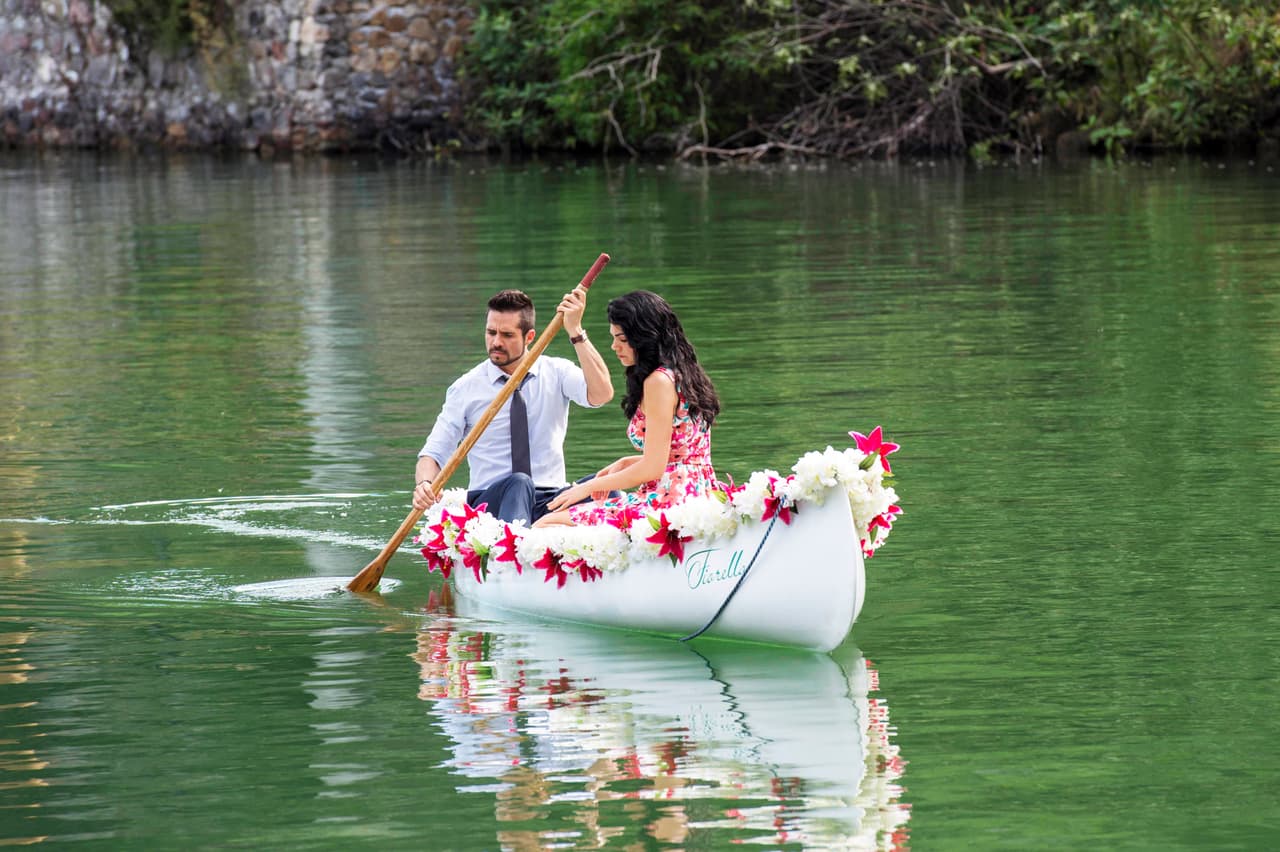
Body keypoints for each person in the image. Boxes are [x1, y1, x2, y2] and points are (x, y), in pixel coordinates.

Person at [413, 286, 613, 524]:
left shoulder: (557, 372)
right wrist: (425, 484)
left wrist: (576, 332)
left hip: (550, 498)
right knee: (519, 483)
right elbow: (433, 454)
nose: (496, 342)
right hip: (490, 502)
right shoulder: (465, 388)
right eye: (491, 332)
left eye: (507, 335)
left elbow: (601, 394)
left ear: (529, 337)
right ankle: (516, 548)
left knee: (608, 488)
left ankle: (548, 533)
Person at [536, 290, 721, 527]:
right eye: (614, 338)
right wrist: (626, 462)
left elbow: (653, 468)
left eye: (622, 339)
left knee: (548, 523)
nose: (614, 346)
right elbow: (681, 455)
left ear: (645, 338)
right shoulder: (682, 374)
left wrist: (588, 487)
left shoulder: (658, 382)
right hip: (697, 491)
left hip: (671, 502)